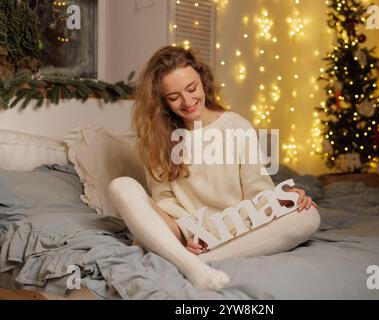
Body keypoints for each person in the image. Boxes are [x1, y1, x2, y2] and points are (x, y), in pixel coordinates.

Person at [108, 45, 321, 291]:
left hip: (239, 228)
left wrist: (284, 200)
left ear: (203, 82)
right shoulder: (155, 140)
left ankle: (190, 263)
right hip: (185, 232)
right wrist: (190, 233)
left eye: (191, 88)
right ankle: (189, 260)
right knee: (121, 186)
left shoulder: (238, 127)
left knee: (308, 216)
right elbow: (164, 200)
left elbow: (258, 193)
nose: (187, 101)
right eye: (174, 97)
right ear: (162, 101)